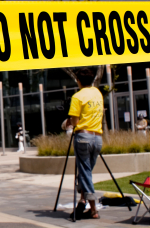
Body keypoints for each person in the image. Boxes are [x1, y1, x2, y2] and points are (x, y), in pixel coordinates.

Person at [67, 68, 104, 220]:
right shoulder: (98, 93)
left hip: (83, 136)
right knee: (86, 172)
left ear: (78, 80)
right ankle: (82, 200)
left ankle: (93, 208)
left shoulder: (77, 96)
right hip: (97, 137)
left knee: (85, 173)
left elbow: (74, 122)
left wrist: (69, 123)